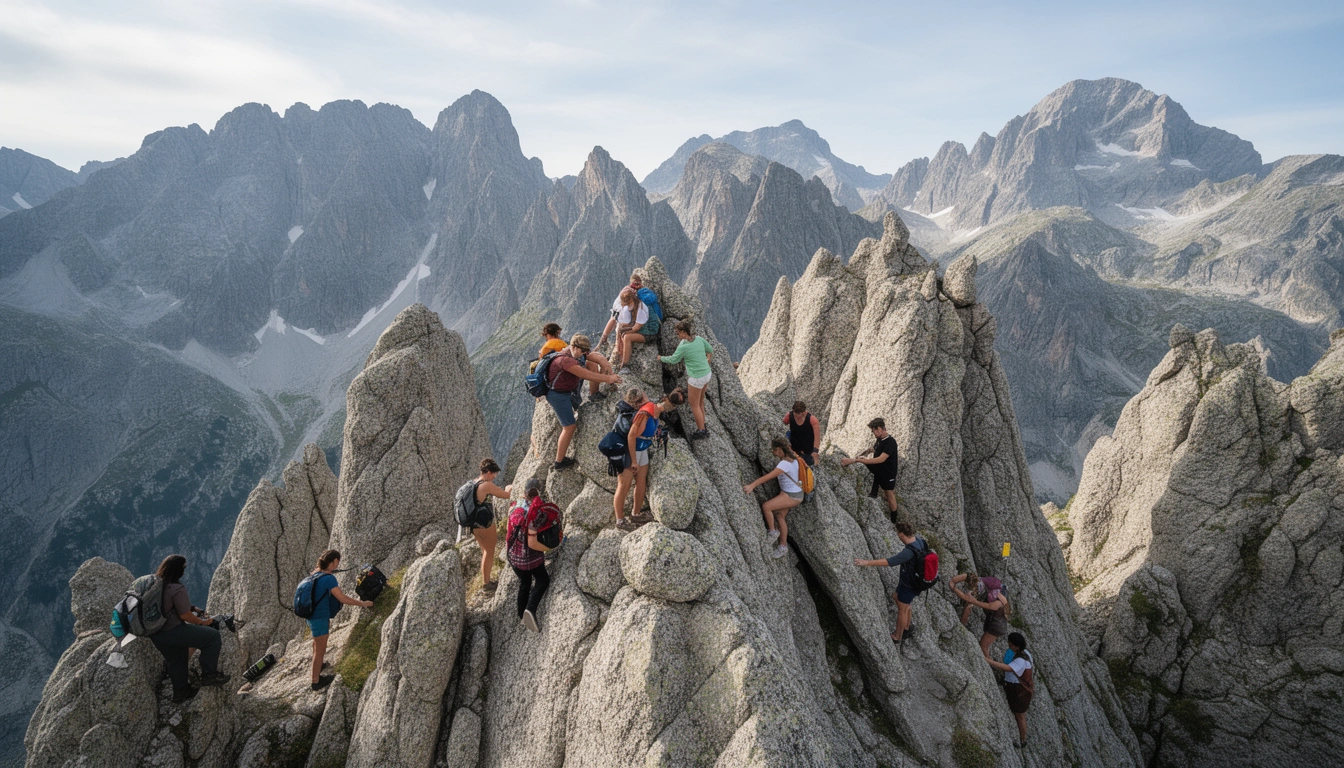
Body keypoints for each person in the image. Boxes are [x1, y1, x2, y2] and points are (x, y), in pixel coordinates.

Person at [147, 554, 230, 703]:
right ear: (178, 569)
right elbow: (185, 615)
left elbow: (167, 604)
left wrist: (192, 608)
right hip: (172, 631)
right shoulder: (177, 588)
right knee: (212, 637)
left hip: (156, 633)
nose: (185, 570)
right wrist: (203, 622)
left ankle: (180, 692)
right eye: (184, 567)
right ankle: (209, 675)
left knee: (176, 659)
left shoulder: (156, 584)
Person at [545, 334, 622, 469]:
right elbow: (585, 375)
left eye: (587, 351)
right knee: (569, 427)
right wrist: (609, 379)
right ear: (574, 347)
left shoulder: (575, 353)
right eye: (583, 351)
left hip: (568, 390)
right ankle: (559, 462)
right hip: (558, 396)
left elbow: (595, 357)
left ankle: (594, 394)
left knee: (591, 363)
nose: (585, 354)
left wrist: (604, 363)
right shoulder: (565, 360)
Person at [614, 387, 684, 530]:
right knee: (624, 486)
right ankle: (620, 520)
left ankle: (636, 513)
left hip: (643, 449)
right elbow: (631, 436)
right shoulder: (645, 413)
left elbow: (661, 413)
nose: (668, 407)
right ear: (643, 398)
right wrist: (633, 460)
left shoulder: (653, 411)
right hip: (630, 451)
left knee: (641, 482)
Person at [305, 549, 374, 691]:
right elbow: (341, 598)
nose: (337, 565)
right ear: (332, 562)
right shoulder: (329, 579)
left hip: (311, 616)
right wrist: (363, 603)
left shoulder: (316, 574)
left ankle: (320, 665)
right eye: (336, 562)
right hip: (319, 617)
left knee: (316, 643)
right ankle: (316, 681)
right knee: (320, 648)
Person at [853, 522, 927, 644]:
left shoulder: (909, 552)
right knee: (899, 600)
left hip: (909, 585)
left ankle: (897, 636)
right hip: (914, 582)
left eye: (898, 534)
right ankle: (907, 628)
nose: (898, 536)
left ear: (902, 534)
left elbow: (889, 562)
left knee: (902, 609)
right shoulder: (920, 541)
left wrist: (867, 563)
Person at [507, 477, 562, 633]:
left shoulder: (514, 506)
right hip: (530, 559)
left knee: (524, 582)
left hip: (513, 557)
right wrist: (548, 549)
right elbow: (532, 543)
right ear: (538, 491)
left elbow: (508, 531)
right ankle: (530, 609)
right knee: (542, 580)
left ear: (524, 492)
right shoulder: (535, 513)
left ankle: (520, 614)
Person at [742, 437, 806, 559]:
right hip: (795, 493)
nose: (773, 452)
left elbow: (769, 477)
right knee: (780, 516)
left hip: (791, 496)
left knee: (767, 507)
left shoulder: (784, 464)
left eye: (775, 449)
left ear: (780, 449)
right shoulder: (795, 459)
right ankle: (783, 547)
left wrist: (752, 486)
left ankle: (773, 532)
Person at [660, 321, 713, 438]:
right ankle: (703, 424)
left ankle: (701, 431)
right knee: (701, 402)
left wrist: (660, 358)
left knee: (694, 405)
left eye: (678, 333)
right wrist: (707, 360)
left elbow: (673, 359)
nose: (677, 335)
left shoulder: (684, 347)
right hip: (707, 374)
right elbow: (710, 349)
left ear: (684, 332)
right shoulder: (698, 339)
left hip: (696, 378)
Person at [840, 417, 899, 519]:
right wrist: (861, 455)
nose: (873, 433)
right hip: (879, 470)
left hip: (888, 473)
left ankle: (894, 518)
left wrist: (857, 460)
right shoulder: (880, 439)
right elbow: (873, 449)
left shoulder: (890, 442)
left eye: (874, 431)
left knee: (889, 493)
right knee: (883, 489)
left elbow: (881, 459)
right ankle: (873, 493)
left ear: (880, 429)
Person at [468, 458, 512, 592]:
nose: (494, 477)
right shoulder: (486, 485)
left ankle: (486, 579)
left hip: (473, 524)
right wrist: (510, 487)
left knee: (485, 551)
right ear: (487, 472)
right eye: (493, 474)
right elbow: (506, 495)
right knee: (489, 551)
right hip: (483, 523)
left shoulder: (473, 482)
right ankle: (486, 585)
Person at [987, 632, 1034, 747]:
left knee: (1020, 715)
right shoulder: (1025, 653)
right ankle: (1022, 737)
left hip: (1019, 690)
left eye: (1010, 643)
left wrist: (989, 661)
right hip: (1016, 687)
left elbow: (1008, 668)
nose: (1008, 645)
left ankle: (1023, 739)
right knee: (1018, 713)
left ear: (1015, 645)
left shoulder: (1021, 660)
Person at [951, 573, 1009, 659]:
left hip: (997, 626)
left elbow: (969, 600)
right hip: (997, 622)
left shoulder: (997, 602)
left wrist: (953, 587)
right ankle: (988, 661)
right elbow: (967, 577)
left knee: (983, 646)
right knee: (983, 646)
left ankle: (988, 662)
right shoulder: (999, 594)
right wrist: (953, 582)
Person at [613, 287, 661, 374]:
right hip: (642, 329)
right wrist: (622, 328)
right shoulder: (634, 305)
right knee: (622, 333)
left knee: (627, 337)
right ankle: (620, 358)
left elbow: (637, 327)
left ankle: (625, 365)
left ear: (631, 300)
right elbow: (627, 322)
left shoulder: (641, 307)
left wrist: (625, 331)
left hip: (650, 332)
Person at [597, 272, 644, 353]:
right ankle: (617, 348)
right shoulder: (633, 292)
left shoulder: (627, 288)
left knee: (613, 319)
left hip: (618, 307)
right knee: (621, 328)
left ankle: (603, 341)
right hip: (622, 309)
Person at [783, 401, 822, 467]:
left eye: (801, 415)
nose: (798, 417)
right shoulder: (789, 416)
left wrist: (815, 451)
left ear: (805, 412)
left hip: (807, 449)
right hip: (794, 446)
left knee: (808, 463)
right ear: (793, 412)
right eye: (796, 415)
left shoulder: (812, 420)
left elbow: (817, 438)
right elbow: (783, 423)